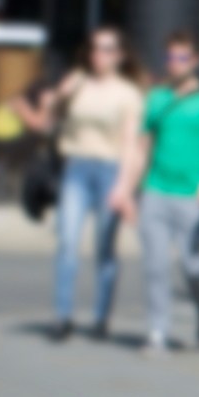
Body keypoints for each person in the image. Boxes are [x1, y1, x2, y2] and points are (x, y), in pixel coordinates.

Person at [112, 30, 199, 354]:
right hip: (155, 191)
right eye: (170, 57)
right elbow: (141, 147)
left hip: (192, 195)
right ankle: (158, 332)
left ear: (195, 60)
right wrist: (125, 189)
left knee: (192, 265)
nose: (175, 63)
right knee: (155, 266)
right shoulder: (158, 98)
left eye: (182, 57)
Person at [47, 26, 146, 343]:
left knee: (105, 246)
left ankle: (101, 316)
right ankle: (63, 316)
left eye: (107, 49)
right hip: (76, 166)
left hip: (110, 170)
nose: (99, 55)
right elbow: (49, 118)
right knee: (67, 241)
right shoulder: (77, 82)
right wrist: (58, 96)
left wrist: (124, 187)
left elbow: (132, 144)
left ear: (120, 55)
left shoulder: (128, 93)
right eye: (94, 48)